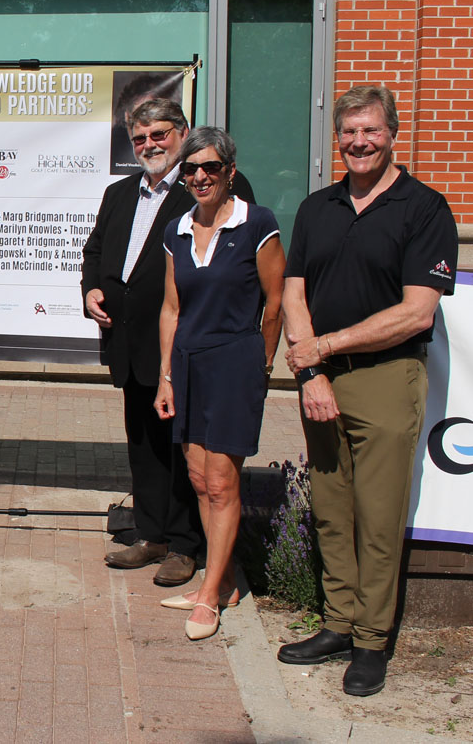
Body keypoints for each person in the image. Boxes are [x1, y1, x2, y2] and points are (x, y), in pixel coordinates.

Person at [277, 86, 457, 696]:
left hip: (385, 377)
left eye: (371, 131)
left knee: (378, 520)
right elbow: (293, 294)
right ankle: (337, 624)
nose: (358, 142)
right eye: (349, 131)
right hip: (321, 381)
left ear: (392, 134)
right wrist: (312, 373)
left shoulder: (425, 208)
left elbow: (415, 313)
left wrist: (324, 349)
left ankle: (371, 643)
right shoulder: (317, 207)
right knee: (330, 512)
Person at [82, 99, 256, 588]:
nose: (149, 145)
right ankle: (152, 534)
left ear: (181, 133)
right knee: (145, 446)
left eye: (159, 134)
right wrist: (91, 288)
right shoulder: (119, 194)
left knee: (186, 450)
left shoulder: (210, 184)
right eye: (140, 138)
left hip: (188, 345)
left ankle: (185, 546)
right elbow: (95, 252)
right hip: (129, 341)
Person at [153, 127, 285, 640]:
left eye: (209, 167)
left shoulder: (259, 224)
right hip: (187, 364)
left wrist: (264, 363)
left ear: (229, 171)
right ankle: (223, 579)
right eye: (190, 168)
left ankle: (210, 594)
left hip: (235, 362)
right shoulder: (177, 228)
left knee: (224, 481)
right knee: (199, 477)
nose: (199, 176)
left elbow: (274, 303)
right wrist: (166, 376)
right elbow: (171, 308)